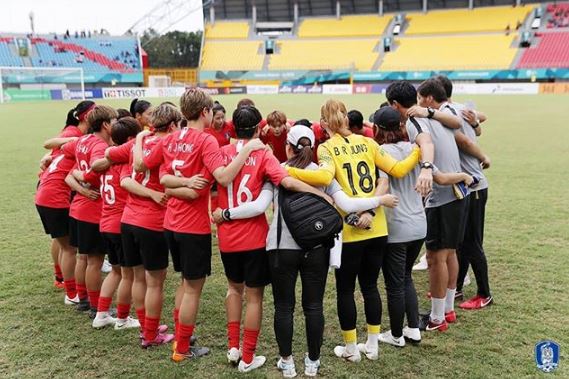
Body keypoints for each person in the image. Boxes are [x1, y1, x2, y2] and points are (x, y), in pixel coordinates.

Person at [215, 124, 398, 376]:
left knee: (284, 307)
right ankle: (312, 363)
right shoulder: (323, 174)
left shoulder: (276, 170)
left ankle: (287, 363)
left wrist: (226, 214)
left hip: (282, 248)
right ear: (312, 148)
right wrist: (379, 200)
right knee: (314, 306)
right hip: (316, 247)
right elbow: (346, 203)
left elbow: (259, 206)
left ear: (288, 146)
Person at [285, 99, 420, 362]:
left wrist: (286, 170)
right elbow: (399, 170)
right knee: (370, 286)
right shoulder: (369, 143)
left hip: (348, 228)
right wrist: (419, 150)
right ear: (346, 118)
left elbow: (324, 177)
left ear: (324, 122)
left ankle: (350, 348)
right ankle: (372, 346)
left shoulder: (326, 148)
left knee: (345, 289)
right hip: (377, 225)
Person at [142, 88, 266, 361]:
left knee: (184, 284)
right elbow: (222, 177)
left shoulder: (171, 138)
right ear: (205, 112)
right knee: (192, 289)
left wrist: (179, 184)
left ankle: (180, 337)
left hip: (170, 223)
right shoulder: (206, 140)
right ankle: (183, 349)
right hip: (192, 226)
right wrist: (249, 149)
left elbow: (153, 172)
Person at [372, 107, 474, 346]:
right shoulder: (415, 150)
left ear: (378, 129)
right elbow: (440, 178)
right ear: (400, 126)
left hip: (396, 226)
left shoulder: (381, 152)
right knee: (406, 278)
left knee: (395, 283)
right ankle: (412, 329)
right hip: (419, 225)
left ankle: (396, 334)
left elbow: (384, 185)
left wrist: (367, 207)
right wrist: (463, 176)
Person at [386, 80, 467, 332]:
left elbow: (427, 144)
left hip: (441, 196)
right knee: (450, 253)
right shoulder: (435, 116)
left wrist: (427, 169)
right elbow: (458, 125)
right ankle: (448, 310)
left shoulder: (414, 122)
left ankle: (436, 318)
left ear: (394, 104)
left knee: (435, 258)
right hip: (457, 193)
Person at [117, 103, 182, 347]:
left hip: (128, 218)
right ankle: (151, 335)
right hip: (151, 221)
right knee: (154, 282)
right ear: (174, 125)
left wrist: (139, 138)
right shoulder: (170, 145)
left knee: (137, 278)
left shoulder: (142, 142)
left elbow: (128, 176)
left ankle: (147, 327)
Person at [72, 117, 142, 329]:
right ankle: (122, 318)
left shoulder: (105, 162)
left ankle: (101, 314)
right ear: (131, 139)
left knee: (116, 272)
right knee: (128, 275)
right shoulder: (124, 162)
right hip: (121, 224)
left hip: (105, 222)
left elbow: (86, 174)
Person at [433, 76, 493, 309]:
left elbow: (465, 142)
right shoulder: (454, 108)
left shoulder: (448, 113)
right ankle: (456, 288)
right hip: (467, 185)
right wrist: (476, 122)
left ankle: (484, 294)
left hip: (474, 185)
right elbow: (481, 118)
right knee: (461, 241)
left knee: (471, 242)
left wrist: (482, 157)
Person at [62, 105, 118, 318]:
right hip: (92, 210)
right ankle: (96, 306)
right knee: (94, 260)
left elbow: (74, 166)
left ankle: (83, 299)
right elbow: (94, 169)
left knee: (82, 257)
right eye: (113, 122)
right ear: (105, 124)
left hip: (78, 208)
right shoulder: (98, 145)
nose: (115, 125)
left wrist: (78, 176)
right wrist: (85, 177)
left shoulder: (83, 140)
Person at [36, 101, 94, 295]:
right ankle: (70, 291)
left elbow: (53, 153)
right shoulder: (73, 134)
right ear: (86, 116)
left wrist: (48, 158)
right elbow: (50, 144)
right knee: (68, 247)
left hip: (48, 190)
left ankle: (61, 277)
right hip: (55, 193)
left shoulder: (79, 135)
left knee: (62, 241)